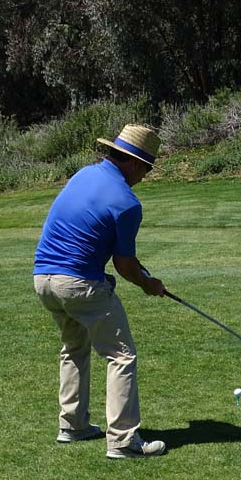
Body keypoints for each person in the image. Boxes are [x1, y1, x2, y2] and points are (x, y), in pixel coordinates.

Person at [33, 124, 167, 459]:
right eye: (147, 170)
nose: (144, 178)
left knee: (74, 347)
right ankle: (123, 441)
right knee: (121, 356)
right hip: (77, 283)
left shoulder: (84, 175)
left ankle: (73, 426)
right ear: (135, 164)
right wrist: (149, 285)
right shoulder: (127, 203)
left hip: (43, 279)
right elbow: (125, 264)